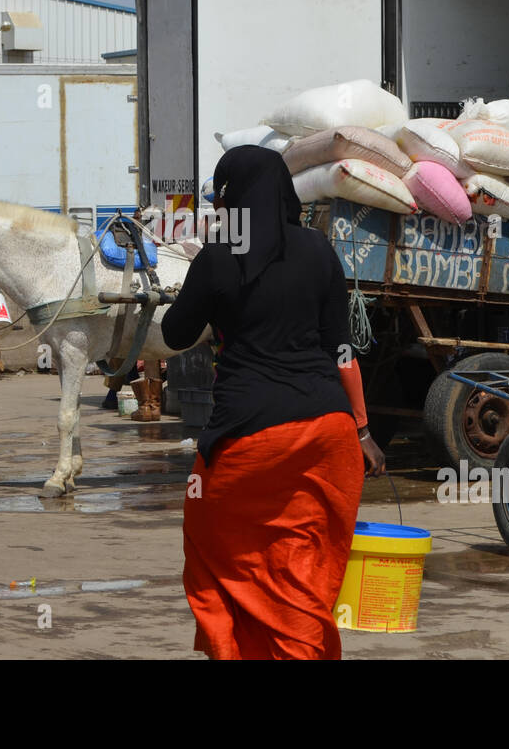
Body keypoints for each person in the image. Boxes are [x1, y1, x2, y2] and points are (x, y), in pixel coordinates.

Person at [160, 145, 385, 660]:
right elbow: (342, 351)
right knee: (299, 568)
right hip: (330, 437)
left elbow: (174, 334)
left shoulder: (218, 256)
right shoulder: (320, 251)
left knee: (214, 546)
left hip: (249, 439)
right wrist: (363, 431)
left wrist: (199, 286)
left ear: (230, 199)